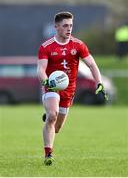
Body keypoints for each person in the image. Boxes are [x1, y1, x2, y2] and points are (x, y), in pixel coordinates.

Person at [37, 11, 108, 166]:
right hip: (52, 87)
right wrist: (46, 83)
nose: (69, 29)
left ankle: (49, 117)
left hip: (69, 90)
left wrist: (99, 83)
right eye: (65, 26)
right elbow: (41, 70)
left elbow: (91, 65)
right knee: (52, 115)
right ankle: (48, 154)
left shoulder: (78, 45)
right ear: (56, 27)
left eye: (71, 26)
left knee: (57, 128)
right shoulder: (46, 47)